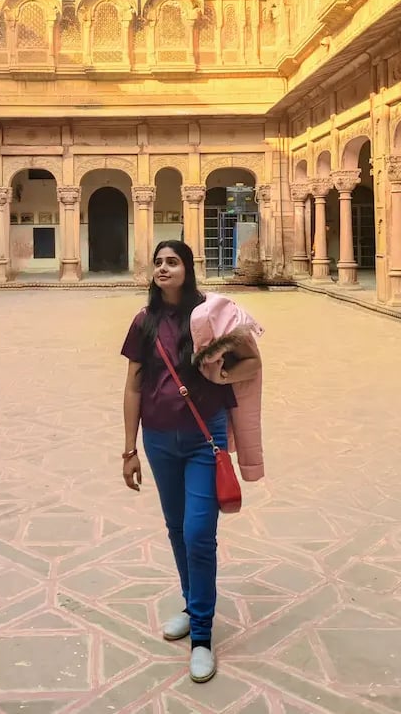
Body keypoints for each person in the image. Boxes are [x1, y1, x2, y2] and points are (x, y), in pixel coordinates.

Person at [120, 239, 264, 683]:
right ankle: (191, 603)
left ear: (188, 269)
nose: (163, 269)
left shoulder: (214, 314)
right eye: (158, 263)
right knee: (176, 528)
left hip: (206, 437)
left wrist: (220, 372)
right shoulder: (144, 322)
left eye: (173, 262)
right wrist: (129, 449)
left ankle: (201, 635)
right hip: (160, 439)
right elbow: (133, 387)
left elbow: (250, 365)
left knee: (199, 532)